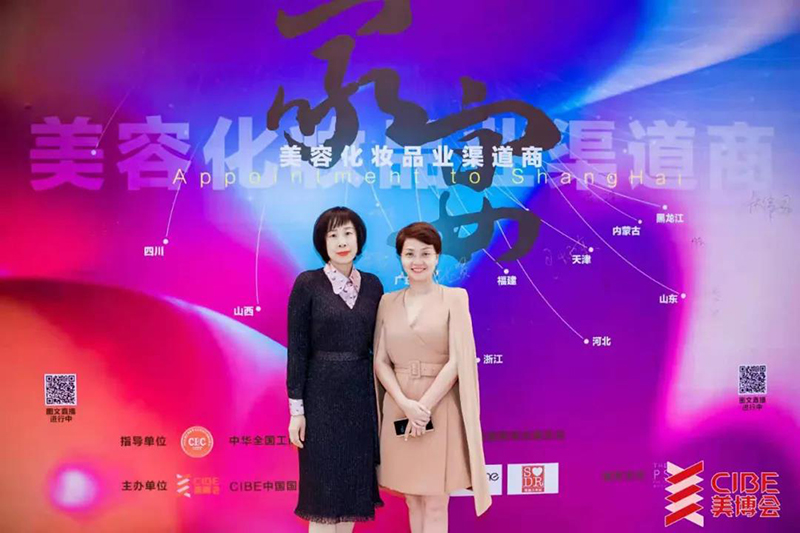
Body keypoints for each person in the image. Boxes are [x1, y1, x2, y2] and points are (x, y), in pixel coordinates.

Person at [373, 222, 491, 533]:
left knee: (437, 500)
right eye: (410, 253)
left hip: (439, 408)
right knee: (413, 498)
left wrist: (423, 407)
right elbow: (381, 361)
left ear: (437, 256)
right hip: (399, 407)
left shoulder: (455, 298)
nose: (418, 261)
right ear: (400, 257)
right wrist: (405, 405)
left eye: (425, 253)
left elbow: (457, 359)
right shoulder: (387, 302)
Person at [286, 207, 384, 532]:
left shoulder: (373, 285)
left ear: (359, 239)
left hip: (360, 400)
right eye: (333, 235)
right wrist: (297, 412)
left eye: (347, 234)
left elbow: (381, 344)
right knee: (323, 501)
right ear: (322, 242)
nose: (342, 242)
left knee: (352, 498)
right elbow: (297, 351)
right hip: (320, 402)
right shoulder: (308, 284)